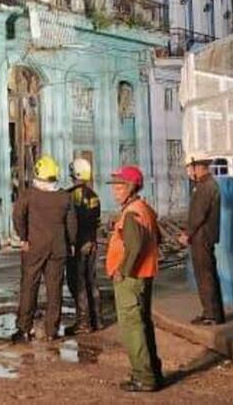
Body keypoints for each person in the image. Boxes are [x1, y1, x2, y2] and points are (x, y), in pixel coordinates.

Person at [105, 165, 163, 393]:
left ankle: (143, 377)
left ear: (131, 187)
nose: (115, 191)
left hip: (131, 279)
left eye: (119, 186)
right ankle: (152, 372)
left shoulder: (131, 213)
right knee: (143, 324)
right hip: (144, 275)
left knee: (132, 328)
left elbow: (135, 245)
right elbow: (155, 237)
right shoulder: (144, 209)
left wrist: (123, 269)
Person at [12, 155, 77, 342]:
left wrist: (23, 237)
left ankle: (24, 328)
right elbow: (72, 224)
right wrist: (70, 243)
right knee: (55, 290)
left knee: (29, 287)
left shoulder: (29, 194)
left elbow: (17, 216)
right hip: (58, 248)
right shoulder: (65, 196)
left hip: (33, 247)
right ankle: (52, 331)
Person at [178, 154, 224, 325]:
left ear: (199, 167)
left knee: (204, 275)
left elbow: (199, 214)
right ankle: (211, 312)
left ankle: (211, 314)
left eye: (191, 167)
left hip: (202, 237)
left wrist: (187, 234)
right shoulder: (206, 185)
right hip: (204, 236)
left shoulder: (205, 187)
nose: (189, 171)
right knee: (207, 274)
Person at [66, 158, 101, 334]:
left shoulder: (71, 195)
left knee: (77, 283)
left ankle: (83, 323)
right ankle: (97, 320)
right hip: (92, 242)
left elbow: (71, 222)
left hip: (78, 245)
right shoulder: (94, 195)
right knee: (91, 281)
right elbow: (96, 221)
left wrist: (71, 242)